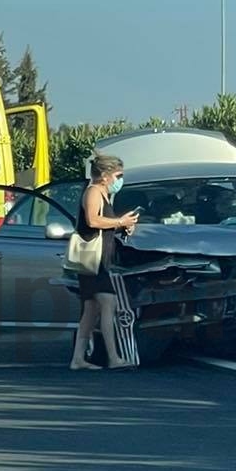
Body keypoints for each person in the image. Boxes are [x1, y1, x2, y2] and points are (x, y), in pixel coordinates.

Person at [71, 153, 139, 371]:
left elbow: (104, 223)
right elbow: (92, 220)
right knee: (109, 303)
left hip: (100, 259)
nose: (120, 180)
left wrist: (123, 225)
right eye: (118, 175)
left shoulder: (104, 195)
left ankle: (78, 359)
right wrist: (119, 221)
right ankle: (113, 357)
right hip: (93, 260)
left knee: (91, 309)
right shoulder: (93, 192)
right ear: (105, 175)